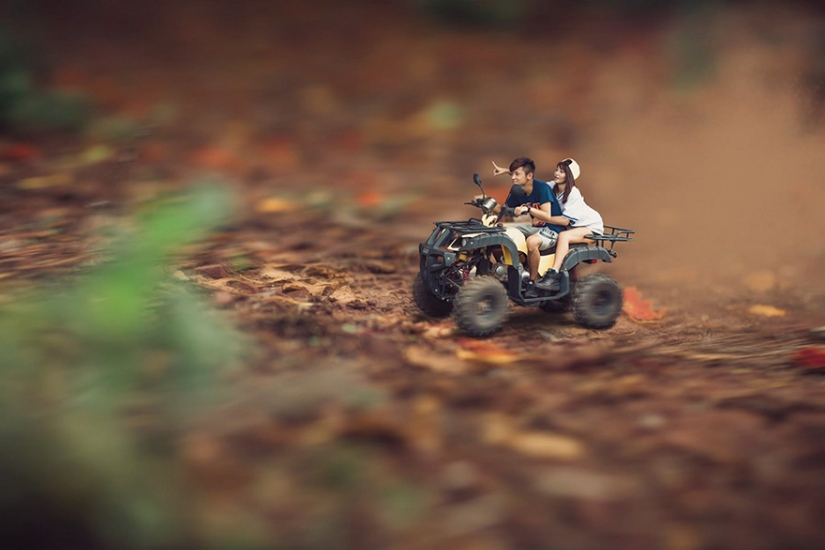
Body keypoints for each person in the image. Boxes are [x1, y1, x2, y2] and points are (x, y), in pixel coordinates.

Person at [487, 157, 570, 296]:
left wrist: (528, 209)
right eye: (512, 174)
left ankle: (532, 282)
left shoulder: (542, 188)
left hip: (552, 228)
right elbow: (505, 210)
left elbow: (547, 216)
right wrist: (488, 204)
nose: (513, 177)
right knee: (500, 230)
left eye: (517, 174)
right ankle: (506, 270)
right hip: (534, 226)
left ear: (529, 176)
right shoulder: (517, 190)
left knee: (532, 242)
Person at [536, 158, 604, 291]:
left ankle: (553, 274)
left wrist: (543, 218)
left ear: (569, 176)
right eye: (556, 170)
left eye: (562, 172)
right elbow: (535, 185)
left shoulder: (573, 194)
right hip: (574, 227)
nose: (557, 173)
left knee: (564, 236)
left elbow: (565, 221)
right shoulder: (553, 186)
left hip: (589, 226)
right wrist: (514, 173)